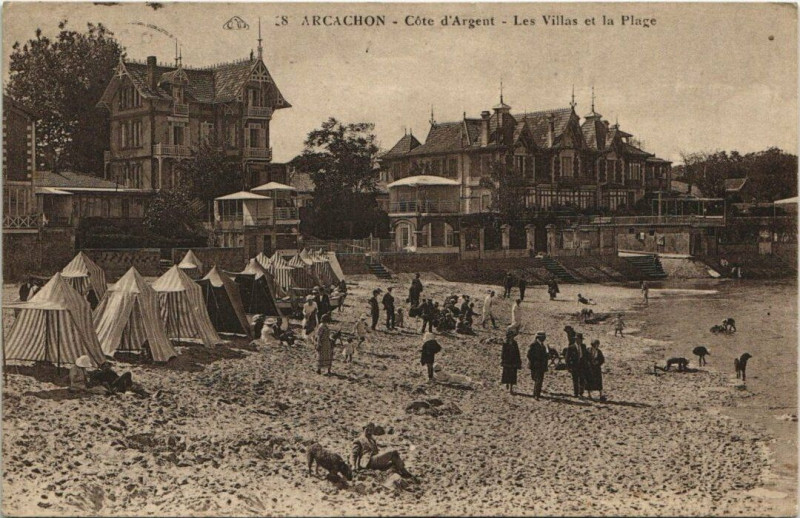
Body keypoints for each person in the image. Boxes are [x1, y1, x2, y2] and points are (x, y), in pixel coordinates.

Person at [527, 332, 549, 400]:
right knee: (537, 379)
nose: (544, 339)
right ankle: (536, 394)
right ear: (539, 337)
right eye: (543, 337)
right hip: (535, 365)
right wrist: (535, 361)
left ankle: (536, 394)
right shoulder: (533, 345)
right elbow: (529, 355)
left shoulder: (543, 346)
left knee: (539, 380)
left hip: (541, 366)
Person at [501, 326, 522, 394]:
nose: (512, 337)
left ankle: (511, 389)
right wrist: (503, 360)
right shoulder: (505, 344)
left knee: (513, 376)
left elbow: (517, 352)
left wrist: (518, 361)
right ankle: (507, 383)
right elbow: (503, 353)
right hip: (507, 361)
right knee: (507, 374)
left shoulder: (515, 343)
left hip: (513, 361)